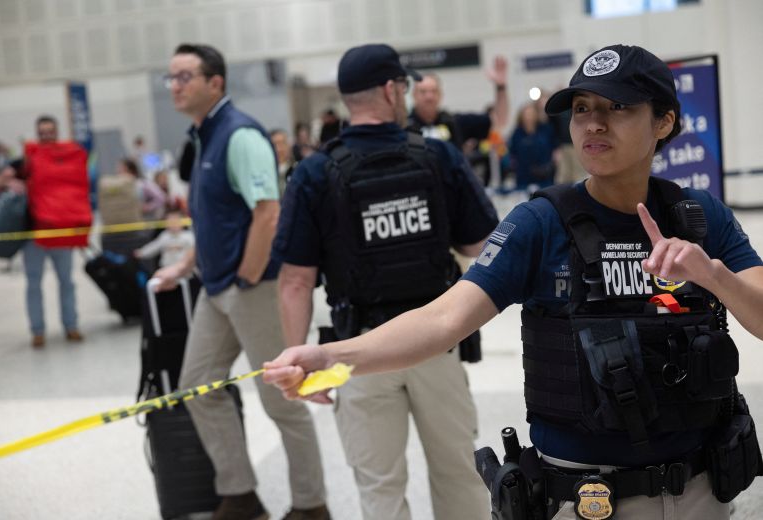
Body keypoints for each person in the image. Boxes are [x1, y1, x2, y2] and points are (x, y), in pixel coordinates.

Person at [264, 44, 763, 519]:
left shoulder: (700, 218)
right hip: (586, 498)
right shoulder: (539, 224)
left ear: (665, 121)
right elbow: (443, 319)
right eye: (582, 108)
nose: (593, 122)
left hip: (701, 490)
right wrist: (332, 355)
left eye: (617, 106)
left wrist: (714, 276)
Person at [272, 43, 499, 520]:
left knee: (378, 487)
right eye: (404, 85)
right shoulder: (437, 157)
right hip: (436, 341)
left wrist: (300, 363)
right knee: (460, 474)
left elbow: (294, 280)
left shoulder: (314, 172)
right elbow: (483, 250)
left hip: (356, 353)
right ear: (390, 89)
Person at [152, 43, 329, 520]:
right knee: (199, 386)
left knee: (283, 400)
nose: (175, 85)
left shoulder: (239, 134)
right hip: (216, 289)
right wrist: (185, 266)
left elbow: (267, 212)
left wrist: (247, 277)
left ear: (216, 82)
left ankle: (312, 505)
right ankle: (240, 494)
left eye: (185, 76)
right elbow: (216, 218)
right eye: (170, 77)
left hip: (249, 288)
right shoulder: (203, 137)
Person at [22, 115, 91, 348]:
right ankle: (37, 331)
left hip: (61, 230)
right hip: (33, 232)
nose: (46, 136)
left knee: (67, 281)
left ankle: (71, 326)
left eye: (50, 131)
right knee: (33, 283)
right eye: (42, 132)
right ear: (37, 133)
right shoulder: (28, 158)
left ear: (57, 131)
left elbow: (78, 187)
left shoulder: (70, 155)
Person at [407, 59, 509, 150]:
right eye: (423, 92)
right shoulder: (404, 126)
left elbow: (498, 119)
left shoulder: (453, 123)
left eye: (434, 91)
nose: (429, 97)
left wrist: (501, 87)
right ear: (414, 95)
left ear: (440, 95)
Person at [507, 101, 558, 193]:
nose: (528, 117)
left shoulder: (546, 129)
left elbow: (555, 147)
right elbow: (512, 151)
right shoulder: (517, 133)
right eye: (526, 114)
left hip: (544, 173)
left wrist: (552, 164)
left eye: (531, 114)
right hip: (523, 174)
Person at [269, 128, 296, 196]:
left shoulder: (298, 169)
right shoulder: (266, 173)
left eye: (282, 143)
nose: (279, 149)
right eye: (275, 145)